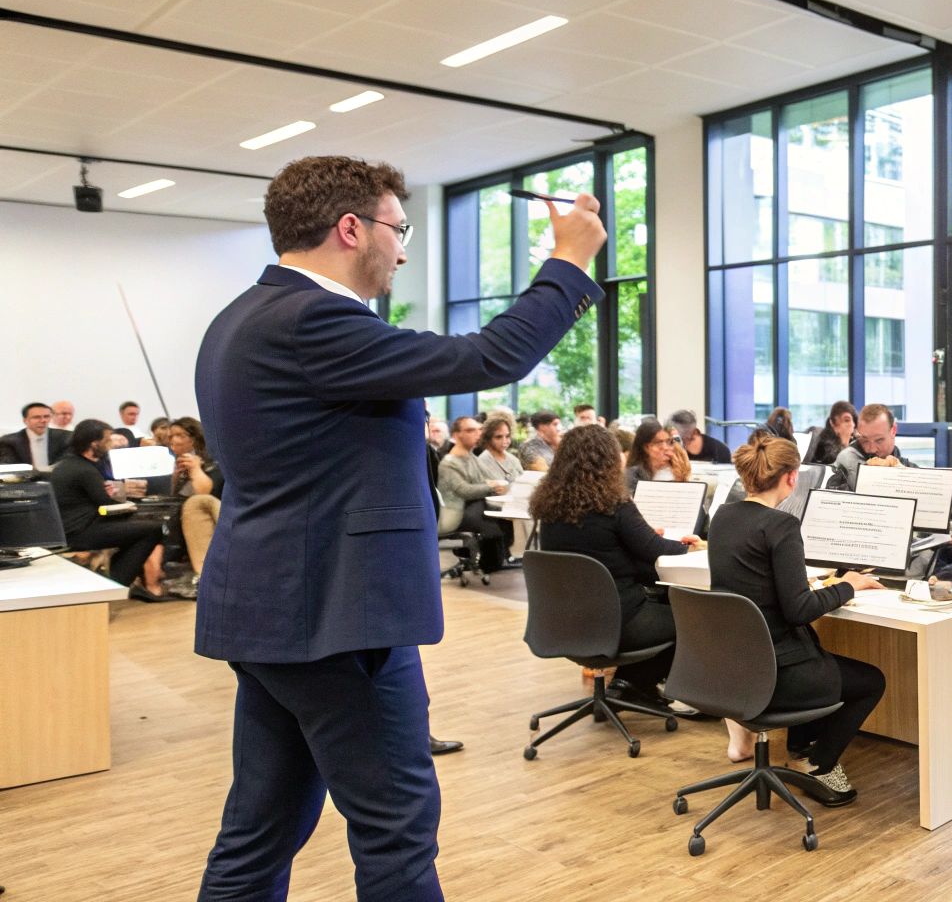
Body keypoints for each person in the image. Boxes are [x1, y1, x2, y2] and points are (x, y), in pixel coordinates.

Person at [193, 154, 605, 901]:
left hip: (269, 613)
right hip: (336, 619)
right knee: (396, 832)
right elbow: (490, 355)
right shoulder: (314, 319)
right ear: (351, 228)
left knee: (262, 828)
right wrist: (570, 258)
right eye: (398, 228)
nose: (404, 248)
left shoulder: (240, 317)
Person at [709, 435, 885, 804]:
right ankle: (818, 764)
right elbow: (799, 610)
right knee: (871, 680)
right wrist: (849, 585)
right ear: (792, 478)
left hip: (732, 666)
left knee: (819, 657)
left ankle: (800, 750)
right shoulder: (782, 527)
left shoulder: (724, 517)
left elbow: (751, 581)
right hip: (777, 674)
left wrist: (801, 583)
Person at [532, 425, 704, 701]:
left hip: (564, 621)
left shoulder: (549, 507)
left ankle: (629, 685)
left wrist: (641, 538)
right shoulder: (614, 504)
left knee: (660, 605)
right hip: (617, 620)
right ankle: (636, 684)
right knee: (694, 618)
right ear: (608, 460)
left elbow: (601, 549)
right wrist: (690, 546)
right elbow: (657, 550)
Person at [50, 419, 171, 600]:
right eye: (107, 440)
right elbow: (106, 505)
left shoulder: (68, 465)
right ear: (94, 444)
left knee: (139, 527)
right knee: (153, 529)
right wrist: (131, 507)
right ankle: (116, 583)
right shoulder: (85, 470)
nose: (110, 444)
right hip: (82, 531)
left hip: (72, 528)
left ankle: (117, 581)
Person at [437, 416, 512, 573]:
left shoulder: (472, 458)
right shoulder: (449, 463)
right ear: (457, 435)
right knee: (492, 521)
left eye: (478, 430)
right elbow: (463, 491)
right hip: (455, 512)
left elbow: (488, 480)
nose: (476, 434)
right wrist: (490, 486)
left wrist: (493, 484)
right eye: (470, 430)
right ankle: (489, 564)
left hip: (471, 508)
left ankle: (493, 561)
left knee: (500, 516)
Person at [165, 416, 223, 597]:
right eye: (171, 436)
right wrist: (175, 477)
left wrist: (195, 469)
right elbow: (174, 496)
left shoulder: (212, 462)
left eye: (180, 435)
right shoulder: (176, 462)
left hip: (205, 515)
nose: (174, 440)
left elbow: (204, 495)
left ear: (194, 437)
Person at [824, 403, 916, 491]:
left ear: (893, 430)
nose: (871, 449)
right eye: (865, 440)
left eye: (879, 440)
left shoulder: (912, 471)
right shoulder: (842, 468)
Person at [627, 417, 692, 492]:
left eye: (669, 442)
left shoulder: (679, 468)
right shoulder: (633, 475)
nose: (665, 447)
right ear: (646, 447)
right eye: (658, 443)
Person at [0, 402, 70, 471]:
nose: (43, 420)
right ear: (25, 420)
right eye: (36, 417)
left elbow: (66, 462)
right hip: (24, 480)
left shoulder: (65, 437)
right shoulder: (9, 441)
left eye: (46, 416)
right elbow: (9, 467)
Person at [805, 400, 856, 465]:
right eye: (846, 420)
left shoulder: (854, 445)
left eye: (853, 421)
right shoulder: (822, 448)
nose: (852, 424)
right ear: (832, 423)